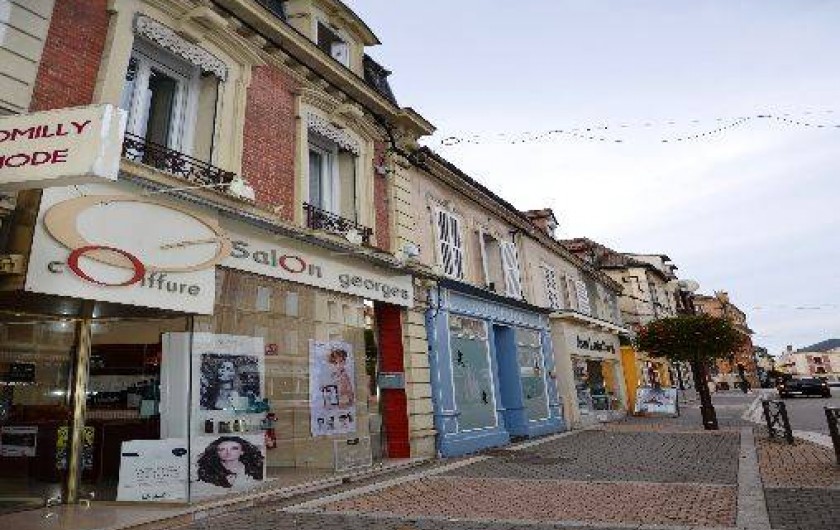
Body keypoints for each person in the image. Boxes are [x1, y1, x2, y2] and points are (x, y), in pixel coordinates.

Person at [196, 436, 264, 489]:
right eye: (222, 449)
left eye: (234, 448)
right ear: (216, 452)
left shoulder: (254, 468)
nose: (228, 452)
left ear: (242, 451)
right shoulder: (209, 472)